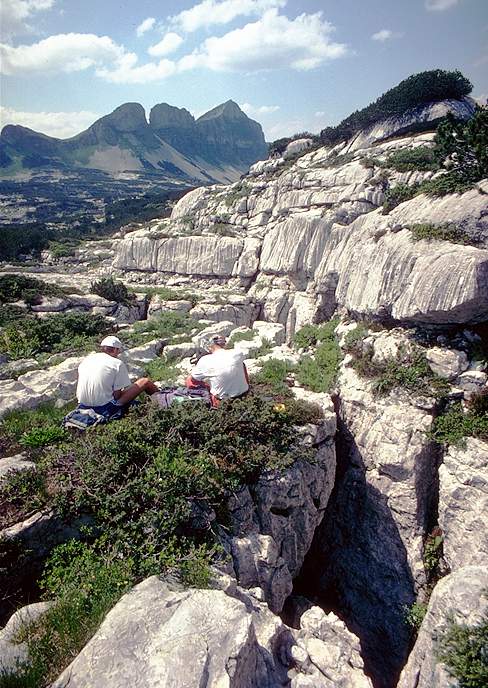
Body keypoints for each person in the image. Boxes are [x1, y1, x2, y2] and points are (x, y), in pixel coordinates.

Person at [76, 335, 159, 418]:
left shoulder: (86, 360)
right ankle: (162, 403)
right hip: (104, 409)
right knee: (145, 382)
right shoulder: (117, 363)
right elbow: (117, 396)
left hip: (83, 407)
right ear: (116, 349)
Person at [187, 335, 249, 406]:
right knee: (242, 364)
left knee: (190, 380)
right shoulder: (237, 353)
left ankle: (204, 404)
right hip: (244, 396)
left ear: (209, 347)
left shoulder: (205, 360)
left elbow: (192, 380)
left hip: (222, 402)